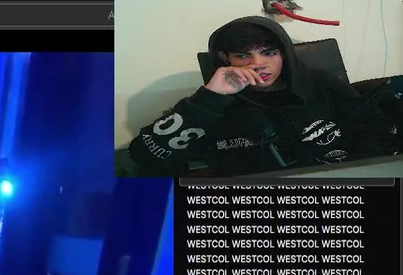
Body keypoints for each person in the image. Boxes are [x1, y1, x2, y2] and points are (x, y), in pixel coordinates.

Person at [126, 17, 401, 177]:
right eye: (243, 55)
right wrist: (210, 97)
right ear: (226, 58)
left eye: (269, 53)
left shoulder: (320, 84)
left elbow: (374, 134)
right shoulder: (214, 104)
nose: (258, 64)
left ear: (284, 54)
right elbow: (143, 155)